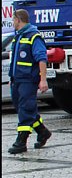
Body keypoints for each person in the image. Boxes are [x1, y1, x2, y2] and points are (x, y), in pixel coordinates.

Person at [7, 9, 51, 154]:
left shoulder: (34, 36)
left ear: (18, 19)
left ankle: (21, 141)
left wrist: (43, 80)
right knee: (22, 108)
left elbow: (41, 58)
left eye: (13, 20)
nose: (12, 22)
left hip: (28, 80)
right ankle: (42, 131)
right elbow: (15, 61)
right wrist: (11, 78)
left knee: (26, 108)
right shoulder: (18, 36)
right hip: (17, 80)